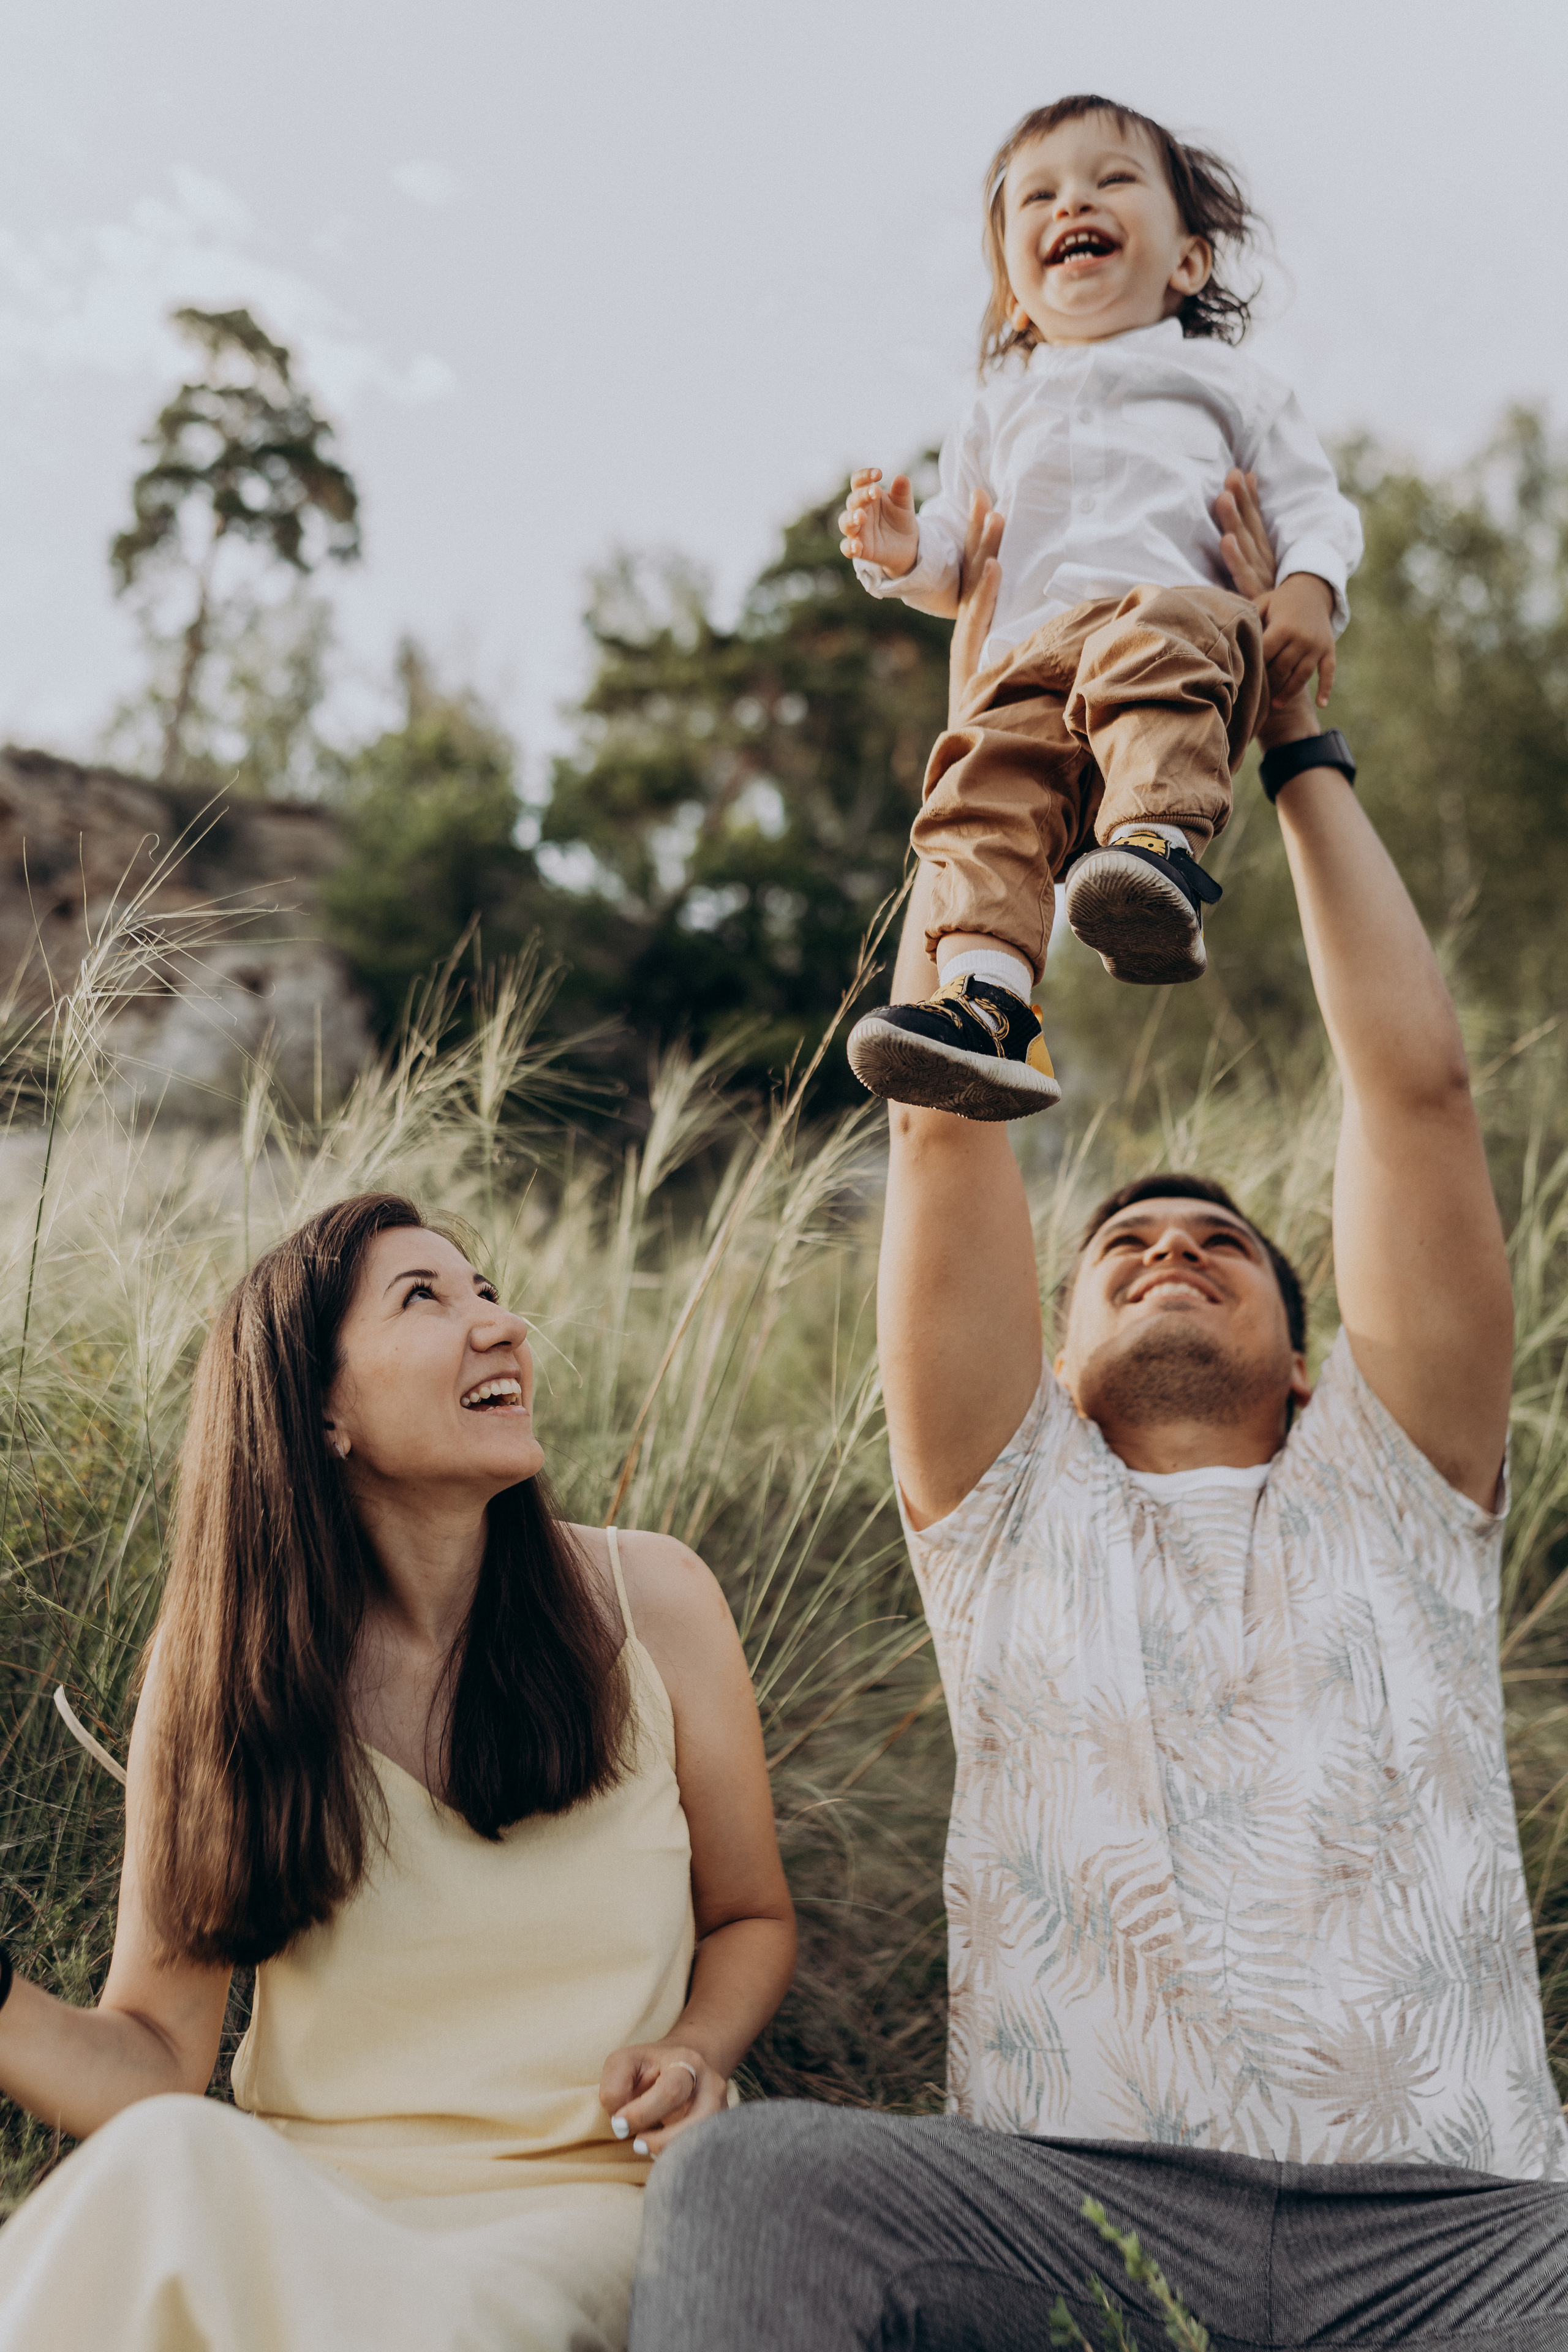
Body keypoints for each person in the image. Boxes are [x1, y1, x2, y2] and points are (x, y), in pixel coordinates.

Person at [628, 485, 1568, 2346]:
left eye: (1219, 1241)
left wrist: (1288, 730)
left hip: (1460, 2239)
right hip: (1078, 2221)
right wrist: (1016, 708)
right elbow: (936, 1120)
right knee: (749, 2188)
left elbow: (1421, 1100)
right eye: (1125, 1242)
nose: (1167, 1247)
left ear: (1315, 1365)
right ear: (1052, 1372)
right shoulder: (1008, 1504)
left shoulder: (1401, 1485)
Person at [0, 1194, 795, 2351]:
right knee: (163, 2165)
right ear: (322, 1407)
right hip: (306, 2198)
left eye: (487, 1292)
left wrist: (694, 2049)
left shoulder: (656, 1602)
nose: (502, 1326)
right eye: (426, 1299)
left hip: (588, 2204)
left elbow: (751, 1915)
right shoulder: (220, 1667)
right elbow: (157, 2064)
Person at [841, 94, 1363, 1122]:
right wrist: (906, 554)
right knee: (979, 787)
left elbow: (1314, 505)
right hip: (1032, 656)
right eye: (1038, 196)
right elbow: (965, 550)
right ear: (1018, 300)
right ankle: (990, 1005)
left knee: (1153, 636)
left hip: (1187, 632)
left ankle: (1153, 853)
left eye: (1111, 180)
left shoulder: (1223, 380)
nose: (1071, 200)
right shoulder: (997, 407)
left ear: (1188, 263)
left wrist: (1306, 588)